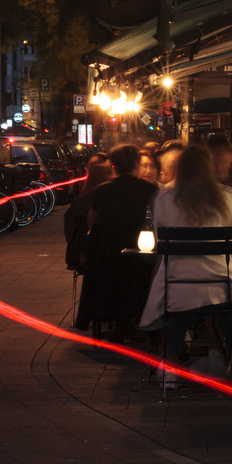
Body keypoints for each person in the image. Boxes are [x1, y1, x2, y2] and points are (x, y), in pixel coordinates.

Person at [140, 145, 232, 388]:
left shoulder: (164, 197)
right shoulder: (228, 195)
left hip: (177, 281)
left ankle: (170, 369)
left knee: (179, 303)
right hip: (220, 280)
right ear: (209, 168)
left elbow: (159, 239)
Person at [74, 144, 156, 338]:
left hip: (107, 257)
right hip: (141, 255)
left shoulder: (103, 190)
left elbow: (92, 222)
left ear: (114, 166)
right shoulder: (149, 189)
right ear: (136, 163)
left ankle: (118, 324)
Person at [63, 154, 114, 272]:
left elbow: (70, 233)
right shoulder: (111, 202)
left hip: (82, 258)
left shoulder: (79, 204)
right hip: (107, 258)